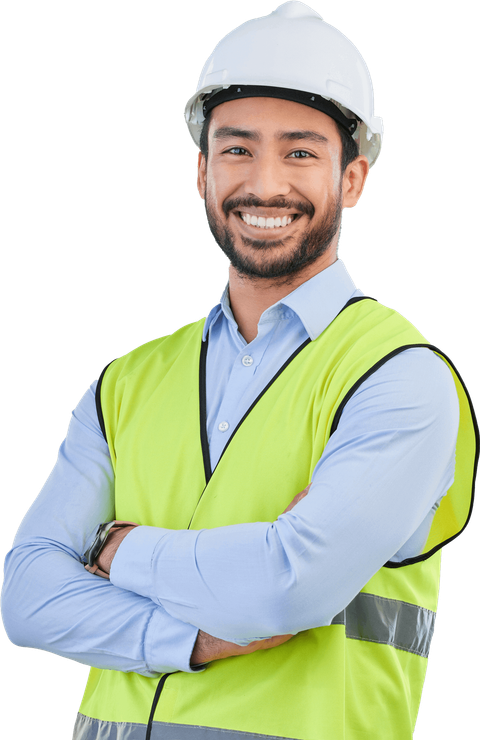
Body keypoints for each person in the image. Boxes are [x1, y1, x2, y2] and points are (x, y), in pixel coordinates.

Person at [2, 2, 478, 739]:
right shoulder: (129, 380)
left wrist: (114, 547)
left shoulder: (397, 376)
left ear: (352, 178)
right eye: (236, 149)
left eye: (299, 152)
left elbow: (288, 589)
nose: (264, 184)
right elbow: (26, 598)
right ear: (200, 171)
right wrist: (188, 642)